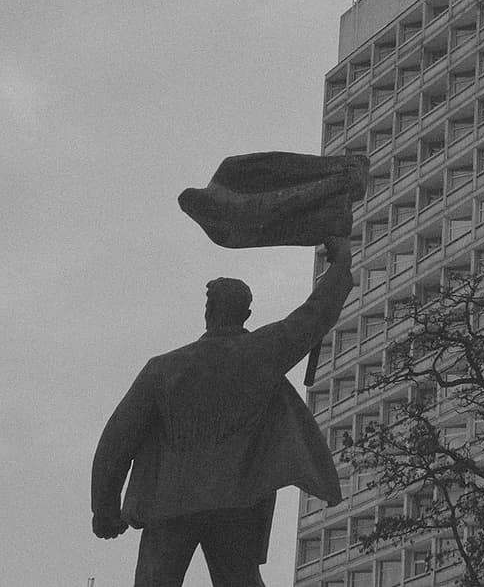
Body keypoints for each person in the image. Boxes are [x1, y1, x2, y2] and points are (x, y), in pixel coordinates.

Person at [91, 236, 354, 587]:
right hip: (237, 500)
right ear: (246, 314)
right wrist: (340, 265)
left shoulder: (163, 370)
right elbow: (315, 315)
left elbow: (116, 441)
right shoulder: (262, 353)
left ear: (207, 312)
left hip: (171, 503)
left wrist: (105, 509)